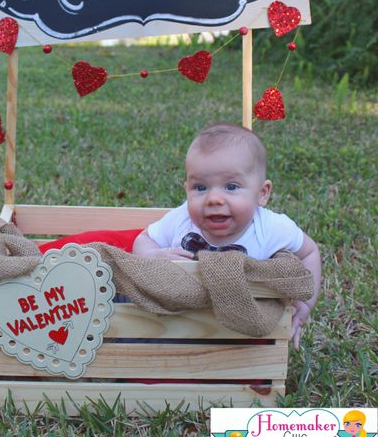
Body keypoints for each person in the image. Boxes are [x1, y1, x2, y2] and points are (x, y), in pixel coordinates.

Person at [132, 121, 321, 348]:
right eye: (200, 187)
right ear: (187, 189)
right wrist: (153, 255)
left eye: (231, 187)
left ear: (262, 193)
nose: (214, 199)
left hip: (243, 334)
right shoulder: (182, 219)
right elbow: (143, 239)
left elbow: (310, 252)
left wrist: (305, 305)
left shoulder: (270, 228)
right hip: (176, 324)